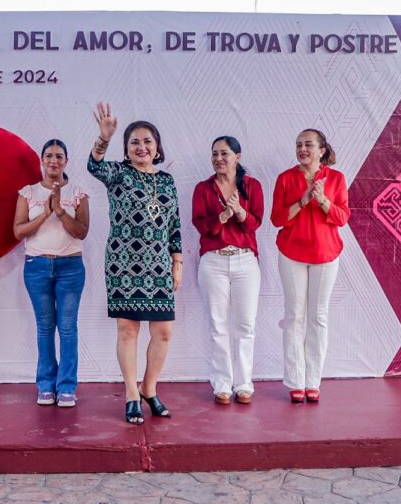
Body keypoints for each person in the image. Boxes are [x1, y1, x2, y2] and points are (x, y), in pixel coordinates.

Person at [88, 103, 182, 424]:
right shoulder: (118, 173)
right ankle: (130, 394)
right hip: (124, 263)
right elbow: (94, 165)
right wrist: (103, 139)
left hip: (158, 265)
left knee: (163, 331)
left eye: (147, 142)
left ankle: (149, 388)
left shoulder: (167, 181)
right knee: (128, 329)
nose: (141, 147)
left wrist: (177, 262)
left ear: (157, 147)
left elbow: (174, 225)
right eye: (134, 142)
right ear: (126, 150)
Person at [270, 128, 350, 403]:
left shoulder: (336, 178)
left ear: (321, 150)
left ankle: (312, 381)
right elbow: (277, 219)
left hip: (326, 255)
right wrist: (303, 201)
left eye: (308, 145)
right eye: (298, 145)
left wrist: (323, 200)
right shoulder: (285, 178)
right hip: (291, 253)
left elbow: (342, 218)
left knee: (318, 317)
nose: (302, 149)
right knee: (295, 316)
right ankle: (295, 381)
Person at [14, 139, 89, 408]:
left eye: (59, 156)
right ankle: (46, 385)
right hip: (37, 267)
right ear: (42, 161)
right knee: (45, 328)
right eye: (49, 156)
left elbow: (81, 232)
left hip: (70, 267)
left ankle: (67, 387)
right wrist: (45, 213)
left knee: (67, 328)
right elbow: (19, 231)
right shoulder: (28, 193)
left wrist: (60, 210)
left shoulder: (78, 193)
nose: (54, 160)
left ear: (66, 161)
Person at [192, 136, 264, 405]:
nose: (218, 158)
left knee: (245, 325)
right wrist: (223, 216)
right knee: (217, 324)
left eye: (224, 153)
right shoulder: (203, 188)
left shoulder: (252, 186)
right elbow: (201, 226)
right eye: (214, 154)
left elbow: (255, 223)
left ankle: (244, 384)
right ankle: (222, 384)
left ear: (238, 157)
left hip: (245, 260)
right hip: (213, 261)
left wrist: (239, 212)